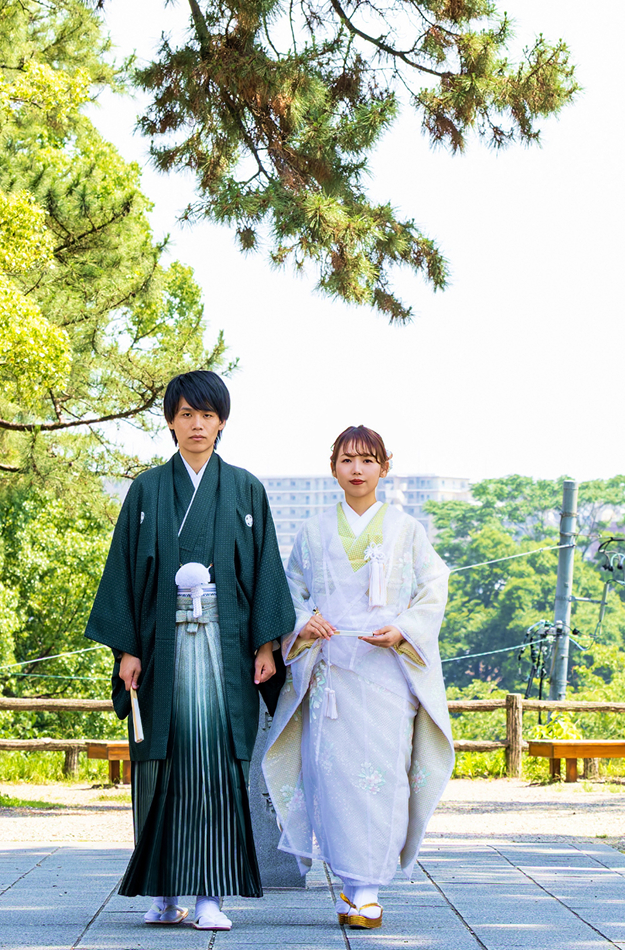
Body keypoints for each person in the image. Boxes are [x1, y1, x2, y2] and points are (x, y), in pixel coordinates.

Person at [86, 371, 294, 932]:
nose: (196, 425)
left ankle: (209, 897)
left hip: (225, 652)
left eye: (206, 415)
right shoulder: (147, 490)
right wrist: (126, 649)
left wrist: (267, 644)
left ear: (221, 422)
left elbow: (263, 572)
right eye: (185, 415)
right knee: (161, 767)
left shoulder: (246, 488)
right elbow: (124, 574)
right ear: (171, 422)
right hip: (160, 651)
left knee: (216, 768)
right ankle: (165, 890)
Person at [261, 426, 454, 930]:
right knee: (333, 782)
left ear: (384, 468)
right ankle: (352, 890)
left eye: (368, 460)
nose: (358, 469)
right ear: (334, 468)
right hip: (331, 677)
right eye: (347, 460)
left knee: (383, 780)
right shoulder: (312, 530)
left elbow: (433, 589)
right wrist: (305, 622)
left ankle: (368, 890)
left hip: (387, 675)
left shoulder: (408, 529)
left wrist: (404, 629)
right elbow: (291, 593)